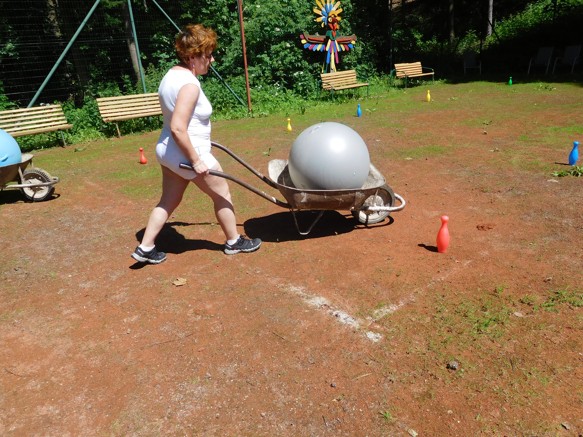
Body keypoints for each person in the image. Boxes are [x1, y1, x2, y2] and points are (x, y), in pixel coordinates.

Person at [132, 24, 261, 264]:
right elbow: (178, 128)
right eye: (208, 55)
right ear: (192, 56)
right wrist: (196, 160)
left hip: (167, 151)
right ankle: (234, 241)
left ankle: (145, 247)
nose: (211, 60)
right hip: (187, 152)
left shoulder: (170, 75)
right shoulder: (190, 86)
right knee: (222, 194)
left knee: (169, 200)